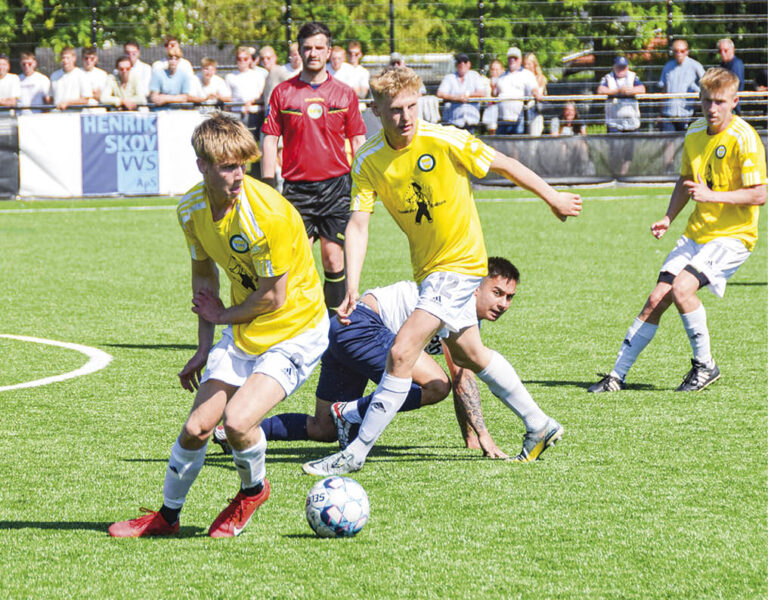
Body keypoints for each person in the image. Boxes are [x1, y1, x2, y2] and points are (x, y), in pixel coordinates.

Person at [301, 66, 582, 476]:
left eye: (413, 106)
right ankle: (539, 425)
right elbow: (358, 223)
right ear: (375, 109)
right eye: (395, 109)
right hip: (430, 271)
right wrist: (351, 284)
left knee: (401, 351)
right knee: (472, 353)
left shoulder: (445, 138)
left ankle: (354, 453)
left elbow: (502, 162)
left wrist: (552, 197)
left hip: (461, 264)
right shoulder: (368, 160)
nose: (406, 117)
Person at [108, 113, 329, 538]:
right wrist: (204, 346)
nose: (238, 175)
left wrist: (221, 318)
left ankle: (253, 490)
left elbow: (272, 297)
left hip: (296, 330)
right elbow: (205, 280)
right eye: (228, 167)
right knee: (196, 429)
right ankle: (167, 517)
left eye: (243, 165)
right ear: (203, 167)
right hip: (245, 328)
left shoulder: (270, 215)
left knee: (238, 422)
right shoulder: (190, 211)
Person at [214, 257, 519, 459]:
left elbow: (462, 370)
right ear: (477, 287)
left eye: (509, 297)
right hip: (362, 326)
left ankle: (236, 431)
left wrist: (471, 437)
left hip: (344, 333)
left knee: (324, 429)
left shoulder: (467, 314)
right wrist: (483, 436)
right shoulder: (457, 301)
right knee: (436, 385)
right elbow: (458, 377)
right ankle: (348, 410)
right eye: (497, 292)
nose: (503, 303)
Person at [589, 68, 766, 394]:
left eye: (720, 102)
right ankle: (616, 377)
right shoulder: (695, 131)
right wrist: (669, 217)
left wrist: (714, 196)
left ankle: (705, 366)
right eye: (707, 102)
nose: (712, 109)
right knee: (657, 298)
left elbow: (759, 194)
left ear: (735, 102)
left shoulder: (745, 139)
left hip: (734, 236)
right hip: (697, 233)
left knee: (683, 289)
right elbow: (686, 181)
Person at [262, 22, 367, 314]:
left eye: (319, 47)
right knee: (296, 260)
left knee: (333, 259)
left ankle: (334, 326)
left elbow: (358, 139)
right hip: (297, 189)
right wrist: (269, 184)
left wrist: (363, 183)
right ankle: (297, 322)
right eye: (307, 48)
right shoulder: (283, 92)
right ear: (299, 50)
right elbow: (270, 139)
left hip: (337, 187)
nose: (313, 53)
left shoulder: (345, 94)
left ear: (329, 51)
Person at [597, 56, 645, 176]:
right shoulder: (608, 78)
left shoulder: (633, 76)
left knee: (629, 152)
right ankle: (615, 173)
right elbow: (601, 90)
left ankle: (624, 174)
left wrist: (631, 90)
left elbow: (642, 89)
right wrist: (617, 91)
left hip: (631, 121)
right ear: (614, 67)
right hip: (614, 121)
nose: (621, 70)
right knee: (615, 150)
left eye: (623, 67)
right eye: (619, 67)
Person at [658, 39, 705, 132]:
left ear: (687, 51)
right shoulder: (668, 66)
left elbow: (707, 84)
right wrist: (660, 113)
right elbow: (663, 89)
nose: (679, 53)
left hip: (686, 114)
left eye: (682, 51)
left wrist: (699, 100)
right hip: (668, 114)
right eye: (676, 51)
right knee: (668, 144)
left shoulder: (695, 66)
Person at [494, 46, 542, 135]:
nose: (512, 60)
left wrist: (537, 95)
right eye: (510, 58)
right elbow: (495, 94)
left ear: (520, 59)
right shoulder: (501, 77)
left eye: (515, 58)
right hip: (502, 119)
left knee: (517, 145)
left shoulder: (527, 74)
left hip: (518, 119)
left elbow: (533, 88)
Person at [436, 53, 486, 132]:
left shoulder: (475, 76)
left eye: (465, 62)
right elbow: (440, 93)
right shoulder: (449, 78)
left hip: (471, 121)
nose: (462, 64)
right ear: (456, 64)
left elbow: (482, 93)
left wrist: (467, 95)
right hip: (453, 121)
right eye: (459, 62)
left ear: (469, 64)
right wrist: (457, 98)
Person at [225, 46, 268, 136]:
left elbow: (262, 95)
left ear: (249, 60)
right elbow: (227, 97)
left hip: (254, 113)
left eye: (245, 59)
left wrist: (251, 102)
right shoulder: (230, 76)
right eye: (239, 59)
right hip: (236, 113)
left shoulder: (258, 75)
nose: (242, 61)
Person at [523, 52, 547, 135]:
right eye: (525, 64)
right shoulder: (523, 77)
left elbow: (538, 94)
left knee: (534, 134)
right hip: (524, 110)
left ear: (534, 64)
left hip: (535, 110)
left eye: (529, 64)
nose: (526, 66)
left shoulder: (539, 78)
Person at [480, 59, 504, 134]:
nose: (494, 72)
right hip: (488, 111)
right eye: (493, 69)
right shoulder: (485, 82)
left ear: (502, 70)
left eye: (497, 69)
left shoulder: (505, 81)